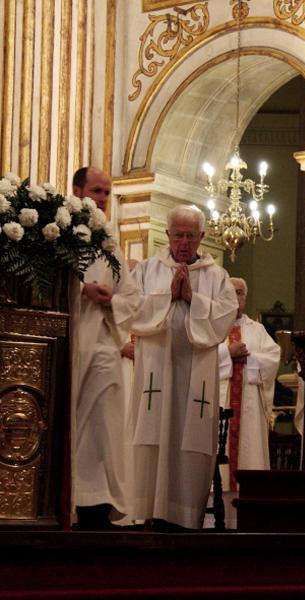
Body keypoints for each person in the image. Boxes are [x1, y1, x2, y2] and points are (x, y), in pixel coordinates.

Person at [129, 205, 237, 530]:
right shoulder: (148, 269)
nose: (184, 242)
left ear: (202, 237)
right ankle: (148, 512)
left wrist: (193, 299)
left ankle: (186, 517)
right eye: (179, 235)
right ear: (168, 235)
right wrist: (167, 298)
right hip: (155, 372)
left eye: (191, 235)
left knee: (189, 439)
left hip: (195, 380)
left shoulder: (216, 276)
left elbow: (225, 315)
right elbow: (131, 308)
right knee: (154, 434)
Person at [69, 167, 142, 529]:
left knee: (104, 425)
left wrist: (111, 300)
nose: (101, 199)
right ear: (76, 190)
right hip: (73, 344)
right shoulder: (60, 234)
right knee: (75, 421)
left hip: (104, 345)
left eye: (107, 193)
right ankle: (69, 498)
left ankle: (98, 501)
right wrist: (82, 290)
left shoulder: (109, 242)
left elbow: (132, 295)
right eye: (96, 191)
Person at [216, 277, 281, 528]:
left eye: (240, 293)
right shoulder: (212, 326)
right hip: (220, 405)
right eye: (230, 293)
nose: (236, 298)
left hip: (249, 409)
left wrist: (247, 360)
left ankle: (251, 520)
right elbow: (200, 358)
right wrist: (226, 354)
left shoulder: (257, 330)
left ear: (246, 297)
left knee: (249, 457)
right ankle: (215, 520)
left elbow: (273, 358)